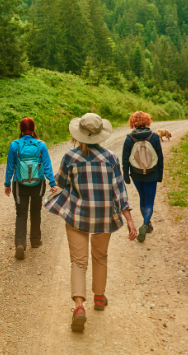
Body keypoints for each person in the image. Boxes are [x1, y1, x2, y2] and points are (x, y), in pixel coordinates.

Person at [45, 112, 138, 332]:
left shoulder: (70, 157)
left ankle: (79, 306)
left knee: (78, 262)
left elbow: (60, 183)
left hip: (77, 216)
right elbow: (119, 190)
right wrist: (129, 219)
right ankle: (99, 297)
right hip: (104, 217)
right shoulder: (111, 158)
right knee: (100, 256)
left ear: (78, 134)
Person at [4, 117, 56, 260]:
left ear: (20, 129)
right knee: (35, 211)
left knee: (21, 214)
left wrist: (7, 184)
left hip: (19, 184)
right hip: (38, 184)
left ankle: (20, 243)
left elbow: (10, 166)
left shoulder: (15, 145)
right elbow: (47, 165)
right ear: (34, 129)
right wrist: (52, 182)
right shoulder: (41, 145)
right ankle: (35, 241)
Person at [121, 111, 165, 243]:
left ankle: (147, 224)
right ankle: (145, 224)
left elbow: (125, 159)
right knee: (149, 201)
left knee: (143, 198)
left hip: (136, 173)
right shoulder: (154, 137)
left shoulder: (129, 138)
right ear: (147, 121)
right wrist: (160, 175)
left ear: (132, 122)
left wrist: (126, 174)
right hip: (152, 173)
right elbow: (160, 157)